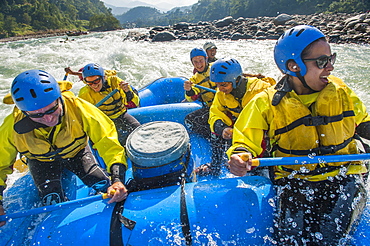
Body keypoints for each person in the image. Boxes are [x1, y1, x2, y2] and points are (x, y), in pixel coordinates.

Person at [227, 25, 370, 245]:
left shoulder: (341, 92)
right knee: (292, 239)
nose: (330, 67)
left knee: (329, 236)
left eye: (331, 58)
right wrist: (240, 155)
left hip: (345, 176)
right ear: (294, 66)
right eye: (322, 62)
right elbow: (245, 140)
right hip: (294, 180)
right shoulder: (266, 102)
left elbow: (365, 124)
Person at [0, 70, 129, 227]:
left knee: (104, 185)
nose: (48, 118)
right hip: (41, 162)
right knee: (52, 201)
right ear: (24, 112)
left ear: (59, 98)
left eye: (52, 109)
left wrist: (117, 179)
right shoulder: (11, 127)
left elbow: (108, 140)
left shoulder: (78, 107)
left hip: (76, 153)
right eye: (37, 115)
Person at [196, 58, 275, 175]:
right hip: (240, 125)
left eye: (223, 85)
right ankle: (215, 166)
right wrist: (223, 129)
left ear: (236, 80)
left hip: (260, 126)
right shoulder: (221, 93)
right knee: (216, 131)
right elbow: (215, 113)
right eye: (217, 85)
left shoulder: (261, 89)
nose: (220, 89)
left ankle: (262, 165)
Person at [79, 63, 140, 145]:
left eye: (96, 81)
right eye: (89, 83)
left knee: (138, 130)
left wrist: (127, 91)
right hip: (104, 121)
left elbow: (134, 103)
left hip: (121, 114)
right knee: (110, 143)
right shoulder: (84, 94)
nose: (94, 85)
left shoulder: (115, 82)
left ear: (103, 77)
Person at [184, 48, 216, 138]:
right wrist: (189, 90)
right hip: (212, 108)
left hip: (227, 102)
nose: (199, 64)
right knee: (189, 120)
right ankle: (210, 136)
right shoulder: (194, 80)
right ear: (192, 63)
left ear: (206, 59)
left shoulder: (215, 67)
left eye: (201, 60)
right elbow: (191, 97)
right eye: (195, 62)